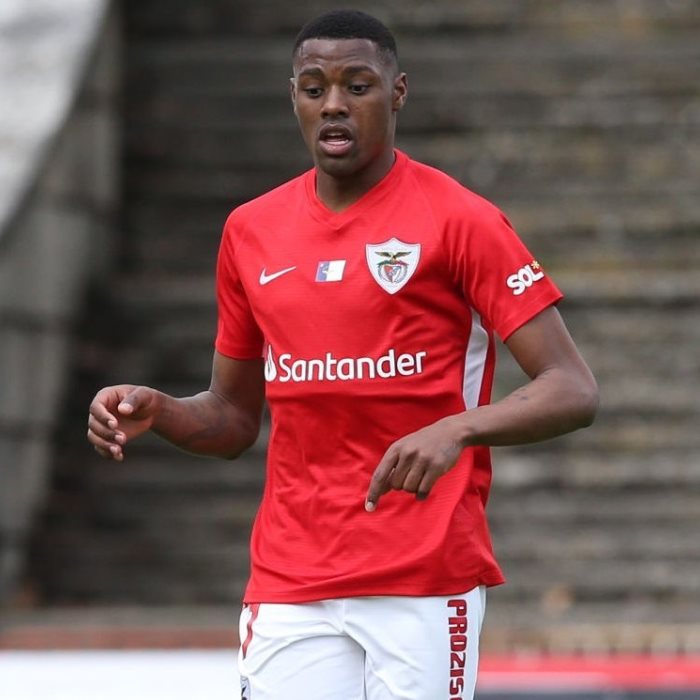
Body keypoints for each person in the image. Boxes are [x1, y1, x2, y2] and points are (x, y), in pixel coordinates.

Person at [88, 10, 598, 699]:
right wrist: (162, 411)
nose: (333, 103)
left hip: (423, 577)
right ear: (294, 98)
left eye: (357, 86)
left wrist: (457, 429)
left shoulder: (462, 221)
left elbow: (571, 387)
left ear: (398, 92)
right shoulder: (250, 231)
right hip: (291, 581)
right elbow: (232, 419)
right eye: (314, 87)